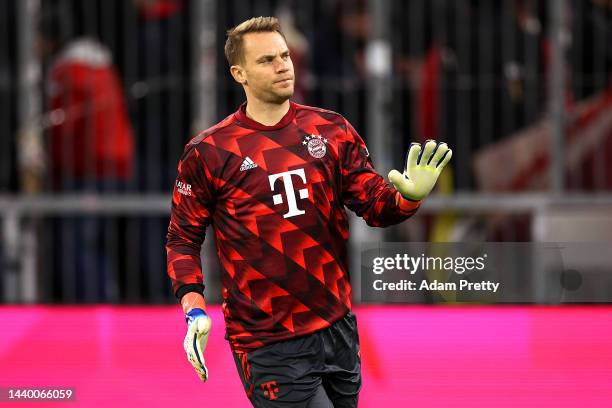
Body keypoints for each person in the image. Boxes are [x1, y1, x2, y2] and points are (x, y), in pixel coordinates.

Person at [166, 16, 451, 407]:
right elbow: (182, 239)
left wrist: (407, 199)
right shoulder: (210, 151)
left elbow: (373, 205)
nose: (283, 65)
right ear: (239, 73)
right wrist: (193, 306)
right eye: (266, 60)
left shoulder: (331, 130)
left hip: (337, 328)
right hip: (268, 341)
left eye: (285, 55)